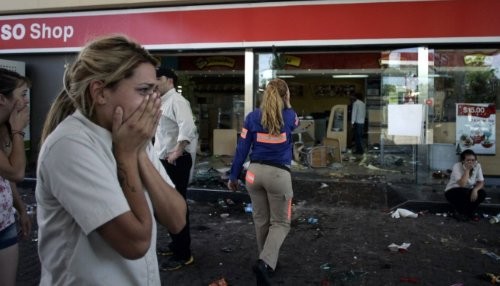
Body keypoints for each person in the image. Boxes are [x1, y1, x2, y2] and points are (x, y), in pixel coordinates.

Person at [36, 35, 187, 285]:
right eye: (144, 91)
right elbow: (135, 243)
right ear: (100, 92)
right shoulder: (70, 146)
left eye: (155, 90)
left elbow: (177, 219)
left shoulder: (131, 136)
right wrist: (127, 155)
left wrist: (138, 152)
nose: (154, 101)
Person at [227, 78, 299, 286]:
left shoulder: (251, 118)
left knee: (261, 219)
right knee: (281, 223)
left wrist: (233, 176)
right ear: (285, 95)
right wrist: (288, 102)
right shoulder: (289, 115)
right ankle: (264, 262)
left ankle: (267, 264)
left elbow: (242, 148)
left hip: (253, 174)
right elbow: (296, 124)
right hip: (278, 176)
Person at [154, 67, 198, 271]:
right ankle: (176, 244)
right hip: (165, 160)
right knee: (166, 205)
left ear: (170, 80)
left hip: (175, 162)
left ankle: (183, 253)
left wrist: (177, 151)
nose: (154, 82)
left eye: (158, 78)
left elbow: (187, 127)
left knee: (176, 206)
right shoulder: (162, 101)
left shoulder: (177, 101)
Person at [0, 68, 32, 286]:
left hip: (4, 222)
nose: (26, 101)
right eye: (22, 94)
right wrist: (18, 132)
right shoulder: (12, 130)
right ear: (3, 98)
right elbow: (16, 172)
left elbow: (6, 179)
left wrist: (19, 208)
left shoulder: (4, 128)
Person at [444, 149, 486, 221]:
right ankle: (459, 212)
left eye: (473, 160)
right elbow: (462, 184)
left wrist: (475, 190)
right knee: (463, 191)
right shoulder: (457, 166)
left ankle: (468, 213)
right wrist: (467, 170)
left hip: (467, 190)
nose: (471, 162)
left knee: (482, 193)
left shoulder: (477, 165)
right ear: (463, 160)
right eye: (468, 160)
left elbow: (481, 182)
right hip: (452, 191)